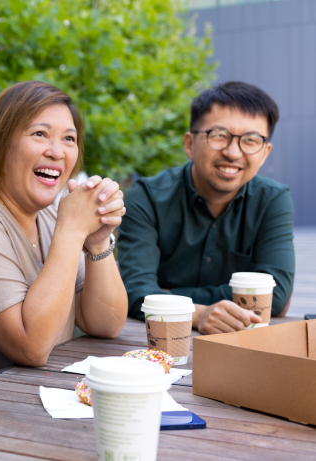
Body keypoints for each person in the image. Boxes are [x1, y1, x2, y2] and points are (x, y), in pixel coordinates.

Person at [0, 81, 128, 403]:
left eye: (69, 139)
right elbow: (31, 346)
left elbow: (106, 323)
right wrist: (72, 231)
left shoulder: (50, 221)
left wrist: (97, 242)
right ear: (1, 143)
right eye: (40, 134)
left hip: (35, 408)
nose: (57, 151)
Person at [118, 81, 295, 335]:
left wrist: (165, 296)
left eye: (250, 140)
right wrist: (198, 313)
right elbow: (135, 291)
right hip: (153, 343)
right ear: (189, 144)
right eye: (219, 135)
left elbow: (275, 295)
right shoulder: (145, 197)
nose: (233, 153)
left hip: (241, 344)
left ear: (265, 153)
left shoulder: (273, 200)